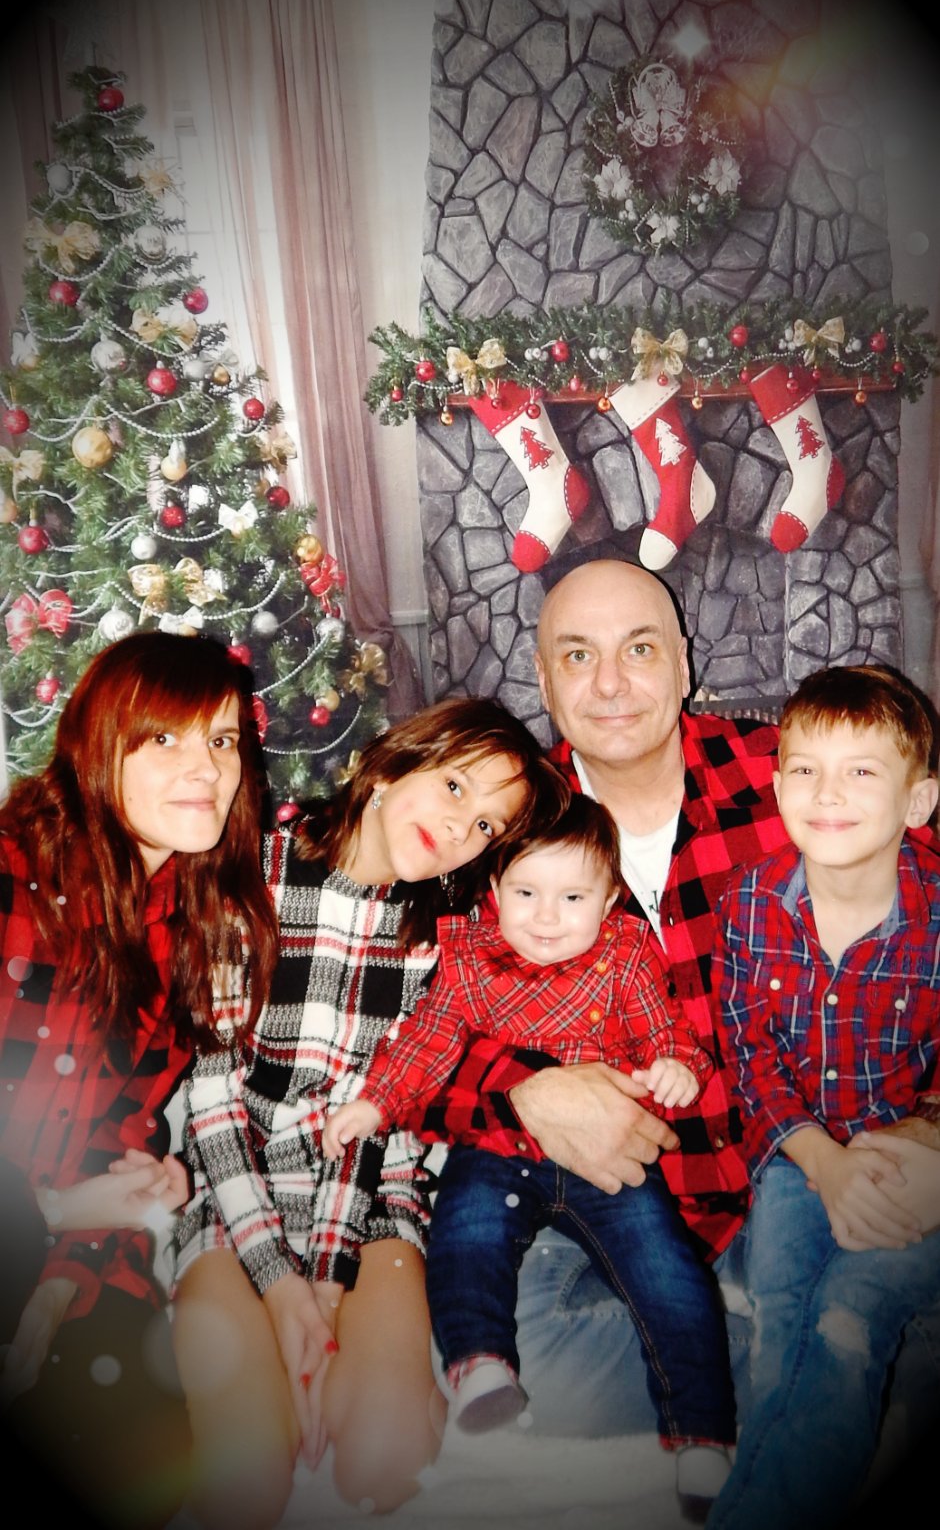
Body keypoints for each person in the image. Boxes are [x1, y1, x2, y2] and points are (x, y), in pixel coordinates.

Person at [414, 556, 939, 1481]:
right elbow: (420, 1027)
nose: (611, 684)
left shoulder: (793, 778)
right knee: (512, 1352)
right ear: (543, 678)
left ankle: (804, 1359)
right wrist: (527, 1091)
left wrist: (930, 1130)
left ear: (685, 662)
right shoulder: (504, 825)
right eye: (579, 655)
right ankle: (821, 1372)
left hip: (807, 1175)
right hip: (618, 1215)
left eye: (640, 649)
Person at [169, 696, 563, 1530]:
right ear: (392, 764)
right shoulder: (254, 873)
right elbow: (211, 1101)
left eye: (486, 826)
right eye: (455, 787)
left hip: (371, 1197)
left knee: (381, 1469)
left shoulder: (443, 937)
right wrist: (280, 1285)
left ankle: (391, 1383)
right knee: (246, 1490)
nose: (460, 829)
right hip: (237, 1185)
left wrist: (328, 1279)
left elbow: (379, 1120)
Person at [326, 792, 736, 1521]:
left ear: (609, 899)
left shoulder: (625, 955)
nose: (546, 917)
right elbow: (427, 1040)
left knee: (665, 1266)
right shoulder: (471, 956)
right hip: (499, 1148)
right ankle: (480, 1362)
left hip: (605, 1160)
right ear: (494, 888)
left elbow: (664, 1032)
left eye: (572, 897)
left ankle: (702, 1430)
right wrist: (376, 1101)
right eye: (525, 893)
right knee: (465, 1233)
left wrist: (677, 1065)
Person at [0, 632, 278, 1530]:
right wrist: (46, 1219)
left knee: (143, 1462)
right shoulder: (12, 878)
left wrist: (57, 1286)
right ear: (98, 746)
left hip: (53, 1252)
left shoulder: (178, 929)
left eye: (223, 740)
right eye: (165, 738)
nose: (207, 768)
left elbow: (117, 1135)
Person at [704, 664, 940, 1530]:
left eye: (861, 771)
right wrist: (823, 1165)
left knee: (848, 1321)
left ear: (919, 801)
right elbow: (750, 1059)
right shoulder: (750, 904)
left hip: (912, 1165)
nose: (827, 793)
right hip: (796, 1157)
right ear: (776, 788)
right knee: (782, 1331)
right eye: (804, 769)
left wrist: (924, 1144)